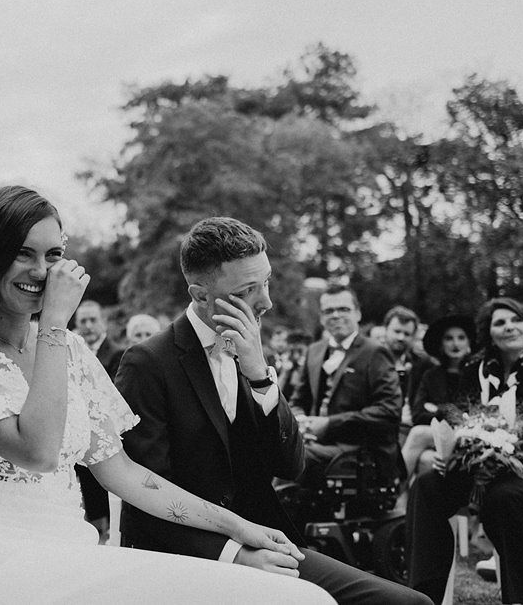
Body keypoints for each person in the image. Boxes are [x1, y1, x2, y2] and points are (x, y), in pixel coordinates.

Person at [0, 186, 334, 604]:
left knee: (293, 597)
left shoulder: (73, 352)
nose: (42, 272)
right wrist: (55, 325)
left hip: (74, 550)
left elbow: (128, 476)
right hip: (1, 559)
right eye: (23, 253)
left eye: (53, 256)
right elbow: (38, 452)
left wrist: (236, 527)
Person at [116, 217, 429, 604]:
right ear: (199, 296)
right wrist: (236, 556)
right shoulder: (147, 363)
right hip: (185, 561)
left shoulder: (251, 352)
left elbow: (292, 465)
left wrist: (260, 377)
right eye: (249, 289)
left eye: (266, 282)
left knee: (409, 603)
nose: (266, 301)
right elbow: (142, 496)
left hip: (268, 539)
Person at [406, 297, 523, 604]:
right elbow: (461, 414)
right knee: (428, 485)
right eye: (499, 322)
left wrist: (515, 457)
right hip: (476, 467)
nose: (509, 326)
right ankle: (423, 594)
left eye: (517, 320)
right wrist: (454, 453)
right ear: (489, 333)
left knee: (506, 497)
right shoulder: (477, 370)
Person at [289, 285, 403, 487]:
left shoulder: (375, 353)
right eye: (328, 311)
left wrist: (329, 424)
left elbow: (388, 411)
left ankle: (267, 517)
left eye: (343, 309)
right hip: (313, 442)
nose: (335, 316)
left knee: (292, 457)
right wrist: (300, 422)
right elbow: (297, 400)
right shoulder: (314, 351)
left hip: (359, 448)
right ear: (322, 318)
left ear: (358, 313)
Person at [72, 299, 125, 542]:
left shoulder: (117, 354)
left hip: (105, 435)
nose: (88, 325)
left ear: (103, 322)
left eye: (93, 319)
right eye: (83, 321)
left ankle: (105, 531)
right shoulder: (73, 349)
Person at [400, 314, 475, 479]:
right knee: (426, 459)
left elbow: (467, 415)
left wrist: (438, 409)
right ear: (441, 344)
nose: (455, 344)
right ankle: (401, 499)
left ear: (469, 342)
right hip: (436, 438)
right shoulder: (431, 375)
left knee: (418, 433)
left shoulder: (476, 373)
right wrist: (448, 412)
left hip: (469, 435)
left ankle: (392, 493)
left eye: (461, 338)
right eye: (449, 338)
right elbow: (418, 414)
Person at [381, 305, 437, 430]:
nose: (401, 338)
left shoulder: (423, 364)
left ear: (413, 336)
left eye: (407, 334)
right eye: (396, 331)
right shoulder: (370, 359)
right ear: (385, 330)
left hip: (410, 427)